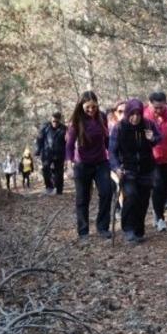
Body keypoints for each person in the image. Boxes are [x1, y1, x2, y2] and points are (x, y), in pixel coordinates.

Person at [108, 98, 160, 243]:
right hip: (127, 170)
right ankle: (128, 230)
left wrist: (152, 138)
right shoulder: (119, 128)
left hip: (146, 169)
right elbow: (112, 152)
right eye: (132, 114)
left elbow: (158, 138)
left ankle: (138, 230)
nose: (135, 117)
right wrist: (116, 167)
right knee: (131, 197)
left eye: (138, 114)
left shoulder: (148, 124)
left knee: (143, 201)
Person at [66, 91, 114, 239]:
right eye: (88, 107)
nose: (91, 110)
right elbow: (68, 145)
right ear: (81, 106)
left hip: (101, 162)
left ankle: (102, 227)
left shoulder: (102, 117)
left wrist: (114, 156)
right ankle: (83, 230)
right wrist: (69, 165)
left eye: (94, 107)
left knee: (107, 192)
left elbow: (107, 140)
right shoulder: (76, 121)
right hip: (82, 164)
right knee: (83, 198)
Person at [145, 91, 167, 232]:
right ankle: (160, 217)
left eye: (161, 107)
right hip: (152, 159)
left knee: (166, 188)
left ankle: (158, 211)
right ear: (150, 103)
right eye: (156, 107)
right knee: (157, 186)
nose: (158, 110)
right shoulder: (144, 117)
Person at [36, 112, 67, 194]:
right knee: (45, 169)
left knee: (59, 172)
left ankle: (59, 190)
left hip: (59, 154)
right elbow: (40, 139)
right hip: (47, 153)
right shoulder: (45, 127)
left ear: (59, 120)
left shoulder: (64, 129)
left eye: (57, 121)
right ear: (51, 119)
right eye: (53, 121)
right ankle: (49, 187)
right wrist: (38, 150)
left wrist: (68, 155)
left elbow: (68, 142)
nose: (55, 123)